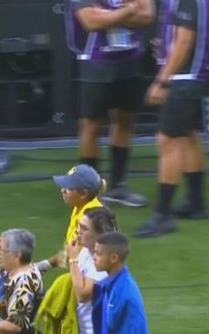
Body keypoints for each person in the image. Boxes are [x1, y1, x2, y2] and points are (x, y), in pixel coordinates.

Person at [133, 0, 209, 238]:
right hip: (195, 75)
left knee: (167, 140)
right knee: (188, 134)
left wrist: (162, 80)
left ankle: (163, 214)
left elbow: (185, 39)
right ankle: (196, 202)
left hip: (185, 79)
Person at [67, 0, 155, 208]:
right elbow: (90, 21)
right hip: (95, 62)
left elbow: (148, 16)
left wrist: (109, 15)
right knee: (91, 125)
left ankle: (118, 187)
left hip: (129, 61)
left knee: (125, 121)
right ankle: (88, 193)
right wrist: (130, 9)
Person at [34, 165, 106, 334]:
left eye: (68, 187)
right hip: (81, 278)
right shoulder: (80, 209)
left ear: (83, 193)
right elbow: (70, 251)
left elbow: (73, 255)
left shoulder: (90, 217)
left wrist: (42, 267)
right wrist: (45, 265)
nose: (63, 190)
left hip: (86, 287)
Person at [65, 207, 117, 334]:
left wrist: (73, 259)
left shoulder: (103, 261)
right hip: (82, 332)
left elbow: (83, 294)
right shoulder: (87, 251)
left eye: (84, 228)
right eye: (79, 226)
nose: (78, 231)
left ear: (99, 235)